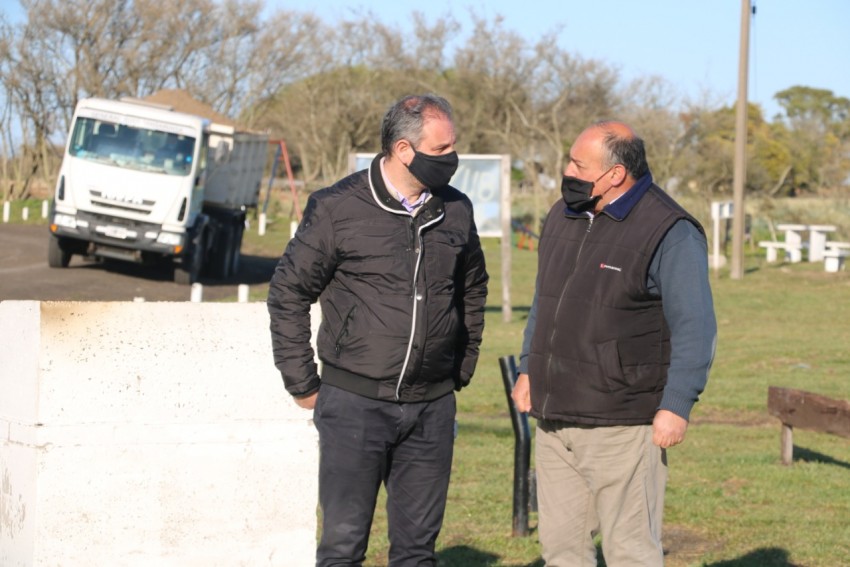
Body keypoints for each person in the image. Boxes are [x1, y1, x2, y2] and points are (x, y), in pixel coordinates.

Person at [268, 94, 488, 567]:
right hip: (354, 405)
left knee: (416, 552)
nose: (453, 158)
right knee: (343, 547)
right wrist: (303, 383)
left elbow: (472, 289)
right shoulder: (336, 208)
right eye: (442, 148)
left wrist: (460, 366)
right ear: (404, 150)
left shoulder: (457, 211)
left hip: (431, 407)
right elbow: (288, 293)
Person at [511, 121, 716, 566]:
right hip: (554, 416)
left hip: (623, 422)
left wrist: (676, 404)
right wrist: (530, 367)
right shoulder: (562, 214)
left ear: (616, 174)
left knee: (630, 552)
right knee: (562, 551)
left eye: (577, 164)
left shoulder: (670, 230)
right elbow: (545, 301)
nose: (566, 171)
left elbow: (695, 326)